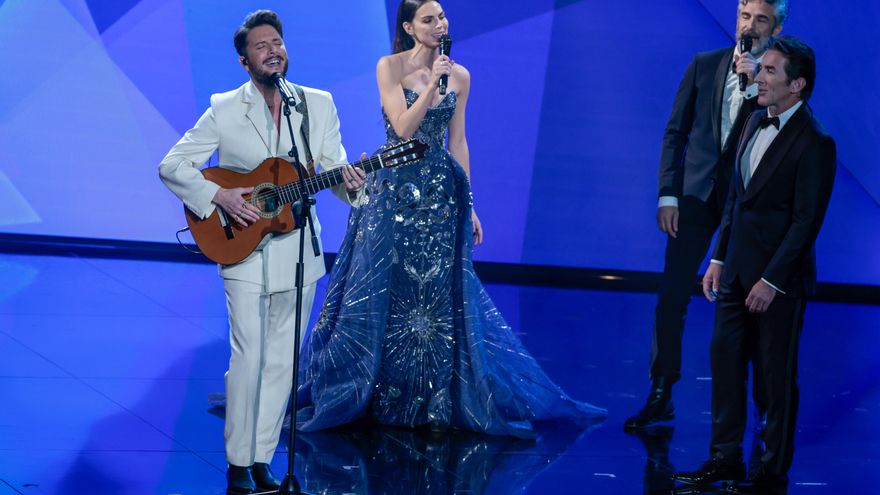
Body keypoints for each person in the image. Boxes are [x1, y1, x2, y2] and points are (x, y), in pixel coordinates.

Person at [295, 0, 606, 438]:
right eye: (429, 19)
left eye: (441, 17)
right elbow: (402, 127)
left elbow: (458, 142)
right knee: (385, 289)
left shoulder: (460, 76)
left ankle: (430, 396)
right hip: (393, 191)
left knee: (432, 298)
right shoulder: (390, 67)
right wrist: (430, 87)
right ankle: (373, 389)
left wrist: (471, 202)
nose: (440, 25)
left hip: (440, 196)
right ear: (409, 27)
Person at [158, 10, 365, 495]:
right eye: (261, 45)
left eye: (278, 42)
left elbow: (332, 168)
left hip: (298, 249)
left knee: (283, 361)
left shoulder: (316, 104)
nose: (273, 50)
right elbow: (173, 165)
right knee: (249, 355)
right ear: (243, 60)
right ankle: (236, 464)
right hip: (242, 246)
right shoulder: (225, 108)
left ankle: (262, 460)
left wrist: (353, 184)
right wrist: (219, 196)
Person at [673, 35, 836, 493]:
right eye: (760, 69)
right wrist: (719, 256)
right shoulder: (750, 121)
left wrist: (771, 280)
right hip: (734, 273)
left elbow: (806, 223)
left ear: (797, 84)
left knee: (774, 378)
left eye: (769, 72)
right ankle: (724, 458)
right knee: (724, 364)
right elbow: (736, 203)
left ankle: (770, 469)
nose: (757, 77)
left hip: (776, 284)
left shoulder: (816, 142)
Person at [625, 0, 787, 431]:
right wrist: (667, 193)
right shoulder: (705, 64)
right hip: (695, 196)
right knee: (672, 294)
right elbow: (676, 131)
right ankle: (662, 391)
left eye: (761, 20)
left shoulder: (781, 75)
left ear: (776, 26)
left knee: (743, 303)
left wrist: (756, 87)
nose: (750, 26)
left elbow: (783, 134)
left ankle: (759, 404)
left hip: (748, 203)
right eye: (745, 16)